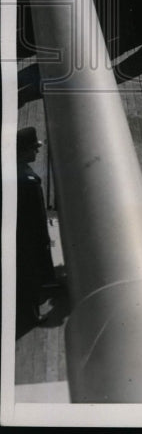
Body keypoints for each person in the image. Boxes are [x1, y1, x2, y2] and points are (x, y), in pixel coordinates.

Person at [16, 127, 57, 325]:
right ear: (24, 151)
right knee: (28, 275)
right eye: (34, 148)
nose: (37, 152)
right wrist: (45, 240)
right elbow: (37, 217)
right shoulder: (29, 182)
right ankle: (31, 316)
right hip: (26, 238)